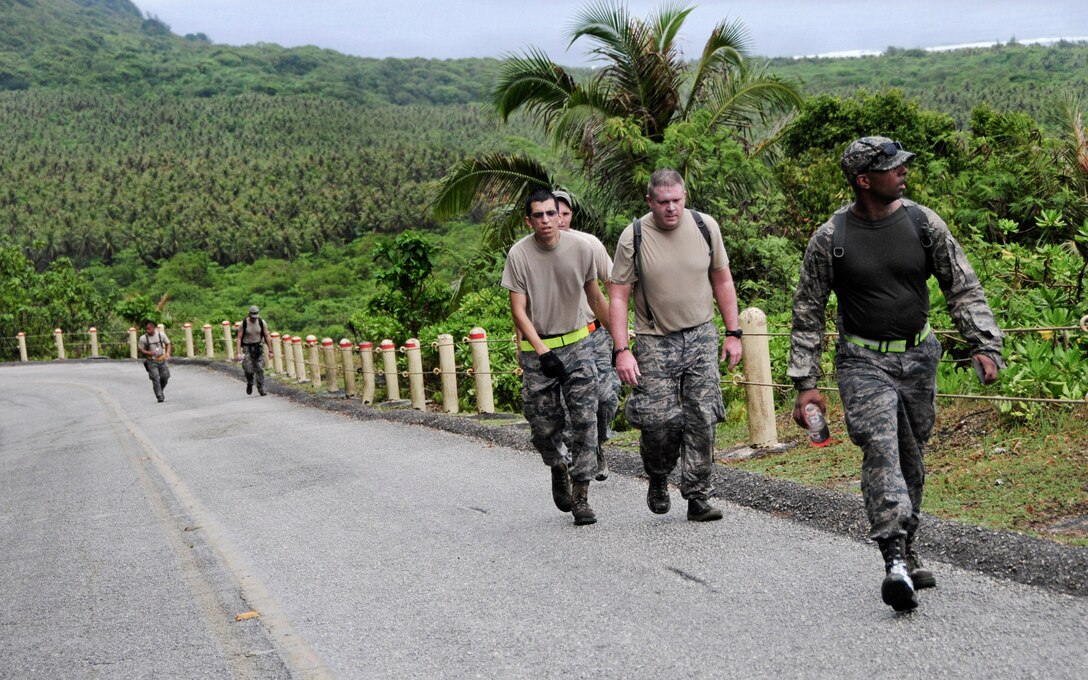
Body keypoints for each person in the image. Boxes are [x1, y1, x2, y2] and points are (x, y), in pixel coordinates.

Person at [787, 136, 1003, 612]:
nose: (903, 171)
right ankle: (893, 561)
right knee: (881, 449)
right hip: (863, 361)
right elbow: (807, 311)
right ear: (864, 181)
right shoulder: (831, 237)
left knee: (911, 456)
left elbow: (962, 286)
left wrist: (983, 344)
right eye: (892, 167)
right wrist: (806, 384)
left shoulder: (923, 223)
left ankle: (908, 546)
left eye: (903, 164)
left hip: (919, 357)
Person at [608, 169, 743, 522]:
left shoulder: (704, 226)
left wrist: (733, 332)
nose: (671, 209)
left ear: (685, 197)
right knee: (660, 422)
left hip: (700, 334)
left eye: (677, 201)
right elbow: (619, 296)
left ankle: (698, 495)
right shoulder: (633, 236)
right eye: (663, 202)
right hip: (654, 340)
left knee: (702, 416)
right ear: (650, 201)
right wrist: (622, 350)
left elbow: (722, 279)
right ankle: (658, 474)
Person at [502, 188, 610, 525]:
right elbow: (518, 311)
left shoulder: (581, 247)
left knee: (585, 420)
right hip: (539, 349)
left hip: (579, 345)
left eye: (552, 213)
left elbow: (595, 296)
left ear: (560, 214)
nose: (547, 221)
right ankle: (557, 464)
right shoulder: (519, 255)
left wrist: (620, 339)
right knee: (544, 426)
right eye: (539, 215)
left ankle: (581, 495)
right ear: (529, 220)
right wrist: (540, 350)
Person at [554, 189, 620, 481]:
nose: (560, 219)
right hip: (561, 339)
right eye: (554, 213)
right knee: (571, 407)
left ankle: (599, 444)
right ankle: (578, 463)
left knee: (606, 397)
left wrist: (620, 332)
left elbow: (614, 285)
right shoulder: (535, 252)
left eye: (565, 213)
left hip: (595, 334)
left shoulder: (589, 245)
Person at [235, 305, 273, 396]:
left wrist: (270, 350)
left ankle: (261, 388)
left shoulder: (261, 322)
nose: (254, 318)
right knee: (248, 369)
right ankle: (250, 382)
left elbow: (267, 336)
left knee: (260, 368)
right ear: (249, 314)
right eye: (252, 316)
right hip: (247, 347)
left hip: (258, 347)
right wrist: (238, 352)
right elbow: (239, 338)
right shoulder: (243, 323)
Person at [138, 320, 172, 403]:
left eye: (149, 329)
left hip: (161, 359)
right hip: (151, 361)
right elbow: (141, 349)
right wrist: (148, 352)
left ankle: (160, 389)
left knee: (165, 376)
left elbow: (168, 343)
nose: (147, 330)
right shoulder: (143, 338)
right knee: (156, 378)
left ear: (153, 327)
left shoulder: (161, 335)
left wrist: (167, 353)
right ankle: (159, 395)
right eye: (146, 329)